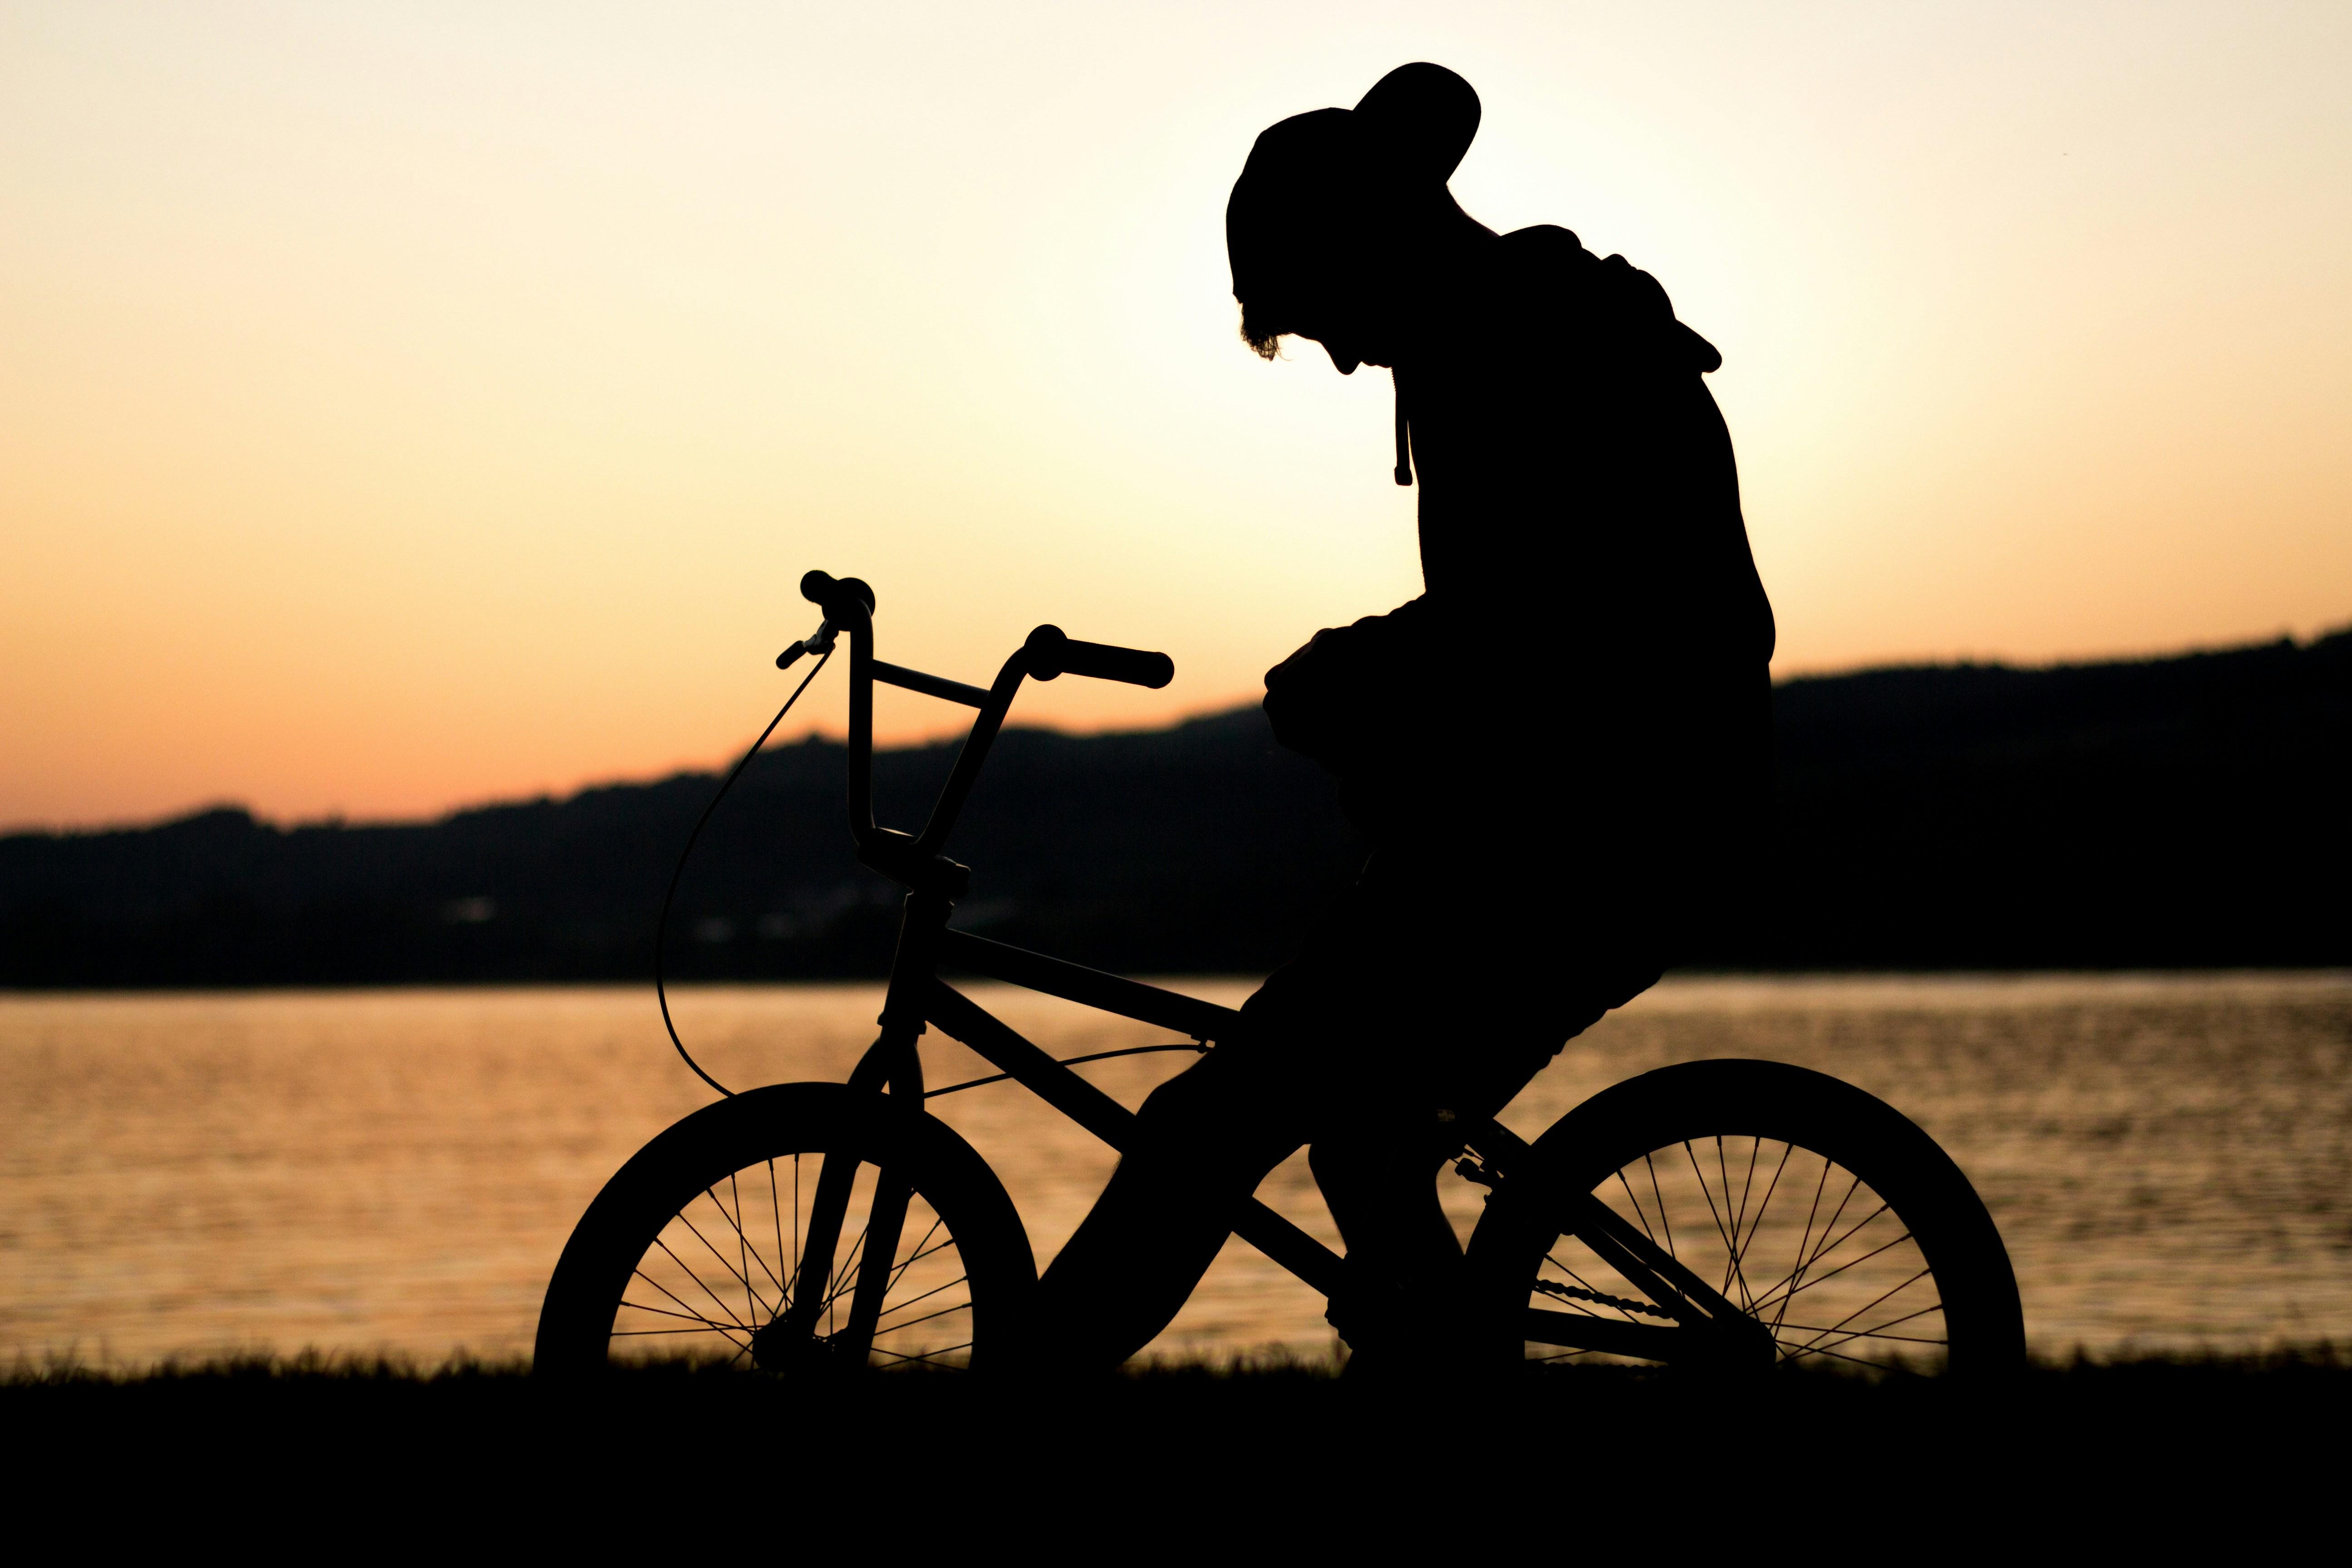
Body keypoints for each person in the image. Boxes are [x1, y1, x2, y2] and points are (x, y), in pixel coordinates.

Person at [1026, 63, 1776, 1372]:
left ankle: (1014, 1385)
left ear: (1362, 243)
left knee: (1221, 1130)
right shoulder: (1508, 328)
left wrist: (1356, 668)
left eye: (1317, 309)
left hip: (1600, 827)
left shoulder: (1516, 346)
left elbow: (1552, 610)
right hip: (1599, 815)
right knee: (1352, 1136)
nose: (1332, 348)